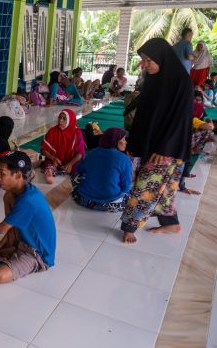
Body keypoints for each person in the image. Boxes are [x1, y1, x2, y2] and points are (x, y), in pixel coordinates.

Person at [120, 38, 193, 244]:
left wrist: (164, 147)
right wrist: (134, 144)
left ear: (162, 58)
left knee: (145, 187)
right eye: (143, 60)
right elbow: (145, 116)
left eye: (149, 60)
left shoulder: (181, 82)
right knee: (166, 189)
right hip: (156, 145)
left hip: (168, 148)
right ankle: (171, 223)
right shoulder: (155, 80)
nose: (145, 65)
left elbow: (181, 119)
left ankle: (130, 227)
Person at [0, 152, 55, 283]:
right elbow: (10, 223)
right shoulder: (18, 191)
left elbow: (2, 228)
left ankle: (17, 253)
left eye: (2, 173)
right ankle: (11, 245)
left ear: (18, 175)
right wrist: (4, 241)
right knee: (8, 196)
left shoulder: (28, 200)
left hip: (37, 253)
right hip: (23, 240)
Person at [72, 128, 132, 212]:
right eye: (123, 139)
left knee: (77, 176)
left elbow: (79, 170)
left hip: (84, 200)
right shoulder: (125, 159)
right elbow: (125, 187)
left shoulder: (92, 153)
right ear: (115, 141)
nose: (126, 142)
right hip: (111, 203)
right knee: (130, 188)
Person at [41, 109, 86, 184]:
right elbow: (43, 150)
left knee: (77, 169)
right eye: (59, 117)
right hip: (55, 159)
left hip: (71, 160)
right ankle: (48, 169)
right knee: (49, 166)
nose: (60, 120)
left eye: (64, 118)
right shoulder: (52, 131)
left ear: (70, 120)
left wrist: (70, 164)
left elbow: (80, 153)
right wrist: (53, 158)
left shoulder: (77, 133)